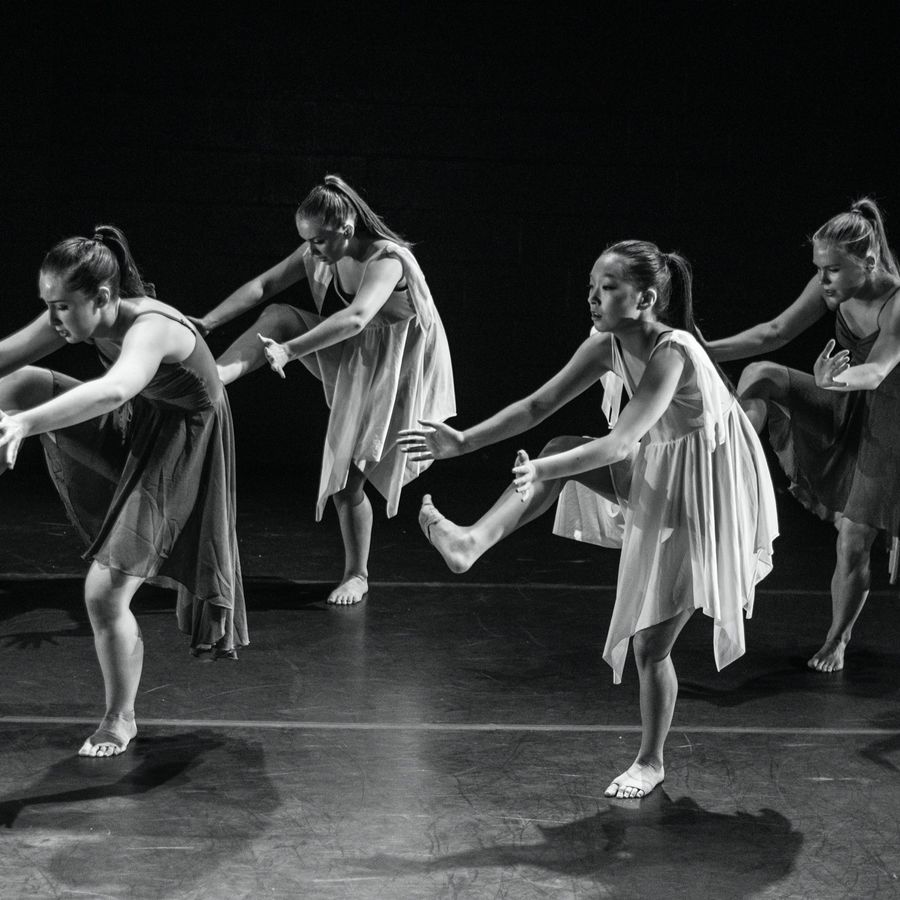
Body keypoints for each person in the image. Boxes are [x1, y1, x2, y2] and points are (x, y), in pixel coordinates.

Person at [398, 240, 778, 799]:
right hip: (662, 468)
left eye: (608, 288)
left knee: (650, 646)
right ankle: (471, 542)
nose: (594, 299)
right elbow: (536, 405)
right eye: (591, 288)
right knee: (558, 443)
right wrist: (462, 442)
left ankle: (650, 762)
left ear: (646, 299)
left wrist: (543, 469)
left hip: (708, 495)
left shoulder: (673, 352)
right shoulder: (607, 344)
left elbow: (620, 442)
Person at [0, 225, 248, 757]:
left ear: (103, 297)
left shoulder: (152, 327)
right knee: (17, 384)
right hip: (140, 423)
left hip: (183, 447)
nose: (53, 319)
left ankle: (120, 717)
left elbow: (113, 389)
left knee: (103, 591)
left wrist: (25, 424)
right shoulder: (73, 315)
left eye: (62, 308)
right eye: (48, 306)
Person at [190, 174, 455, 606]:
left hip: (403, 369)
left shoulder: (388, 258)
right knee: (279, 314)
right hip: (364, 352)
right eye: (307, 242)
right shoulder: (323, 249)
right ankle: (211, 381)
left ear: (346, 228)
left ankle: (357, 574)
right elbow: (264, 286)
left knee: (347, 482)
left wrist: (290, 351)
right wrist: (208, 322)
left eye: (317, 242)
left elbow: (357, 316)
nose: (311, 251)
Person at [707, 198, 900, 673]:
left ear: (868, 262)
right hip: (842, 399)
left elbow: (876, 371)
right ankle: (725, 464)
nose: (823, 280)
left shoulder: (896, 303)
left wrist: (834, 380)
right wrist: (703, 348)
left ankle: (837, 640)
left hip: (889, 419)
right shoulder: (831, 284)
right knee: (761, 373)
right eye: (819, 269)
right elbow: (774, 331)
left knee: (853, 537)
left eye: (832, 270)